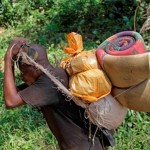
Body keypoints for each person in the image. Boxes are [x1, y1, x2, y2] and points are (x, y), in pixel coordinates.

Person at [3, 38, 115, 150]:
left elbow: (11, 101)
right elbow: (13, 92)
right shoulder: (55, 75)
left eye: (23, 72)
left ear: (35, 68)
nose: (22, 77)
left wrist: (8, 60)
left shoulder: (47, 84)